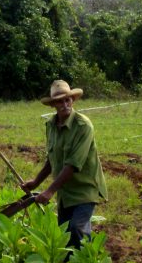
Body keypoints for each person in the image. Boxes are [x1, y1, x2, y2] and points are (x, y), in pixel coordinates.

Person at [20, 80, 107, 249]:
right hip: (65, 192)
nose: (65, 104)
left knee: (77, 229)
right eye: (60, 101)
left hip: (85, 188)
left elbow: (73, 164)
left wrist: (50, 190)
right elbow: (53, 158)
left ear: (72, 100)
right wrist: (36, 182)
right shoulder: (51, 125)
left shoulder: (83, 126)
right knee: (65, 235)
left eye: (68, 99)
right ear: (53, 104)